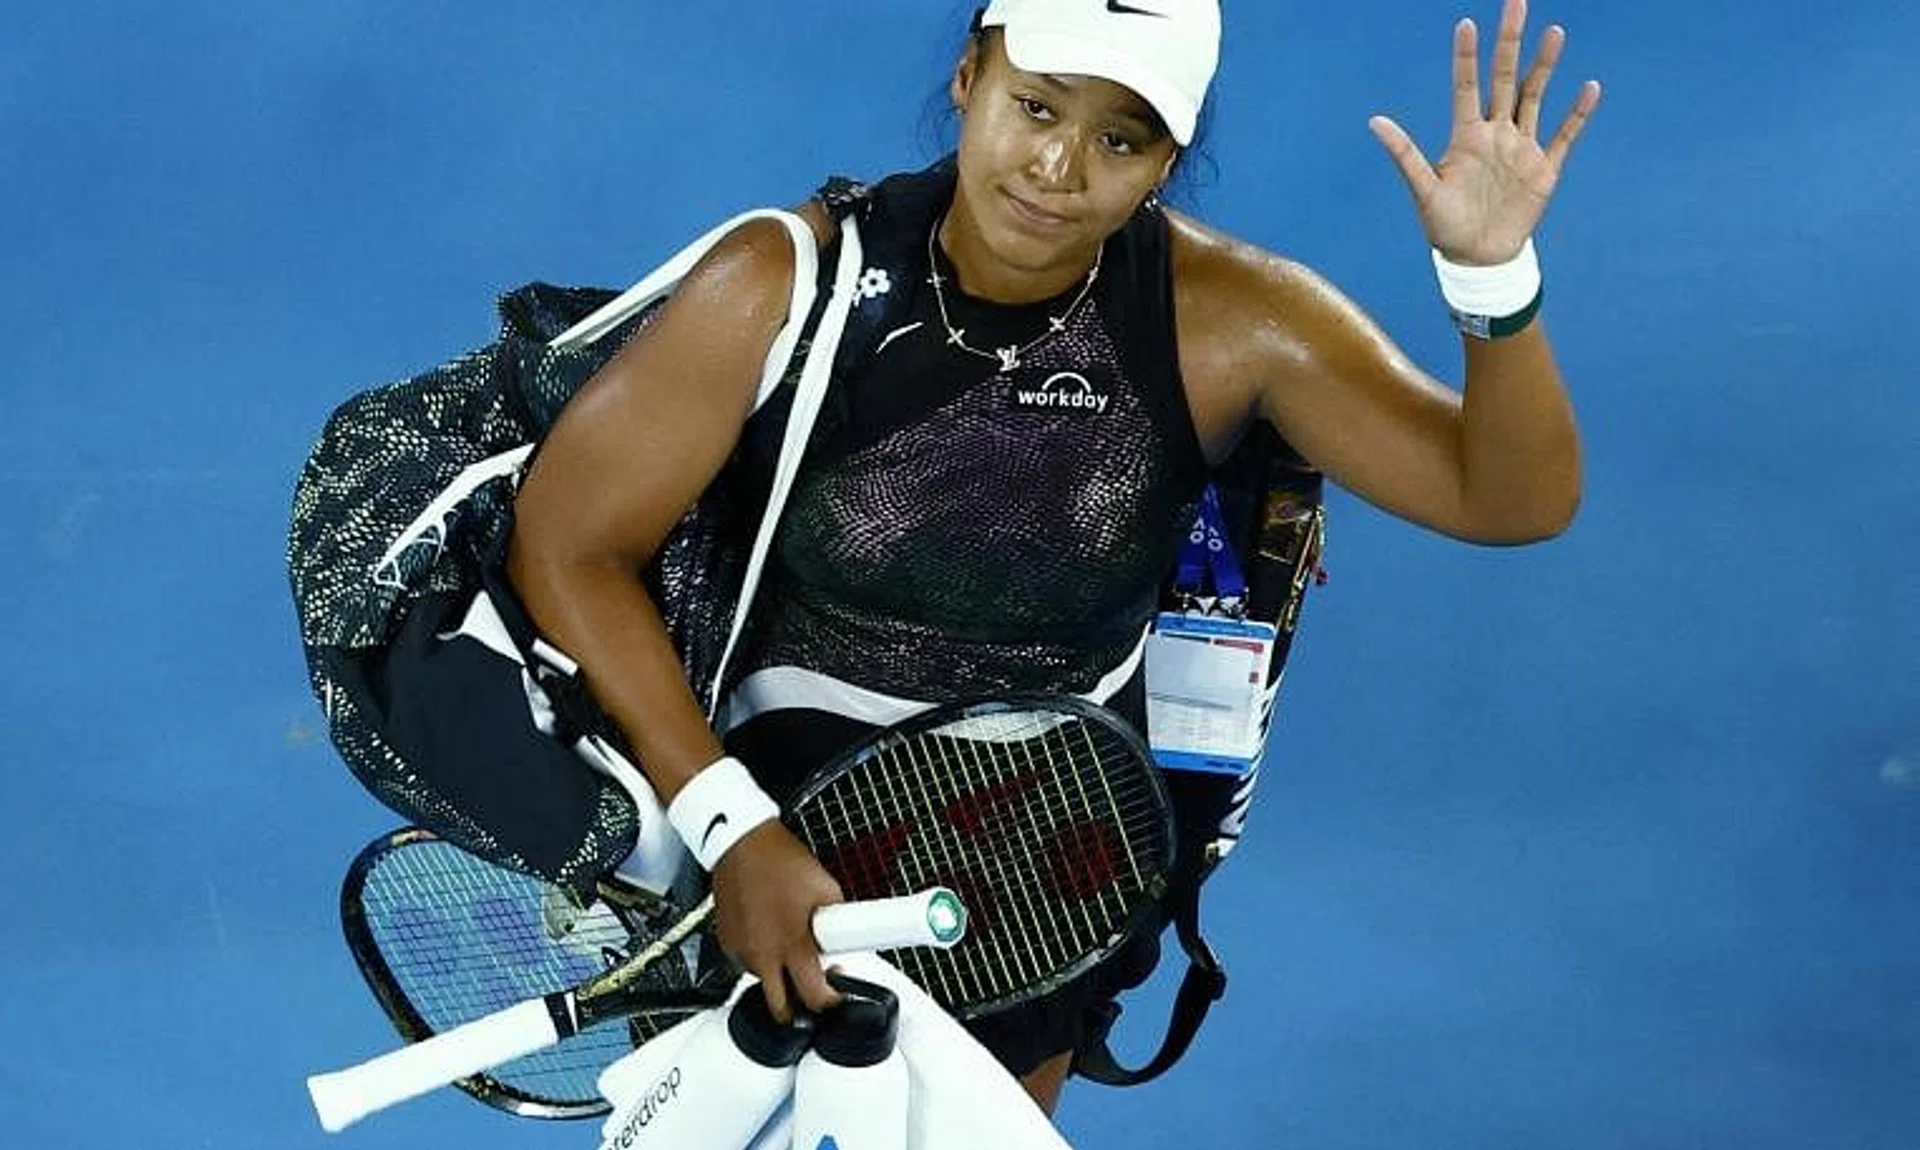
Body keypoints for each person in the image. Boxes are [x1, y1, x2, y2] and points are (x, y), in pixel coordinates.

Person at [504, 0, 1601, 1119]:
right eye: (1035, 106)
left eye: (1120, 140)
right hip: (759, 833)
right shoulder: (787, 280)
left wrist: (1492, 276)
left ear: (1167, 162)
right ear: (970, 77)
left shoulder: (1228, 321)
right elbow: (573, 543)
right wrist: (729, 826)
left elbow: (1507, 496)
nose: (1059, 166)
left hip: (1039, 862)